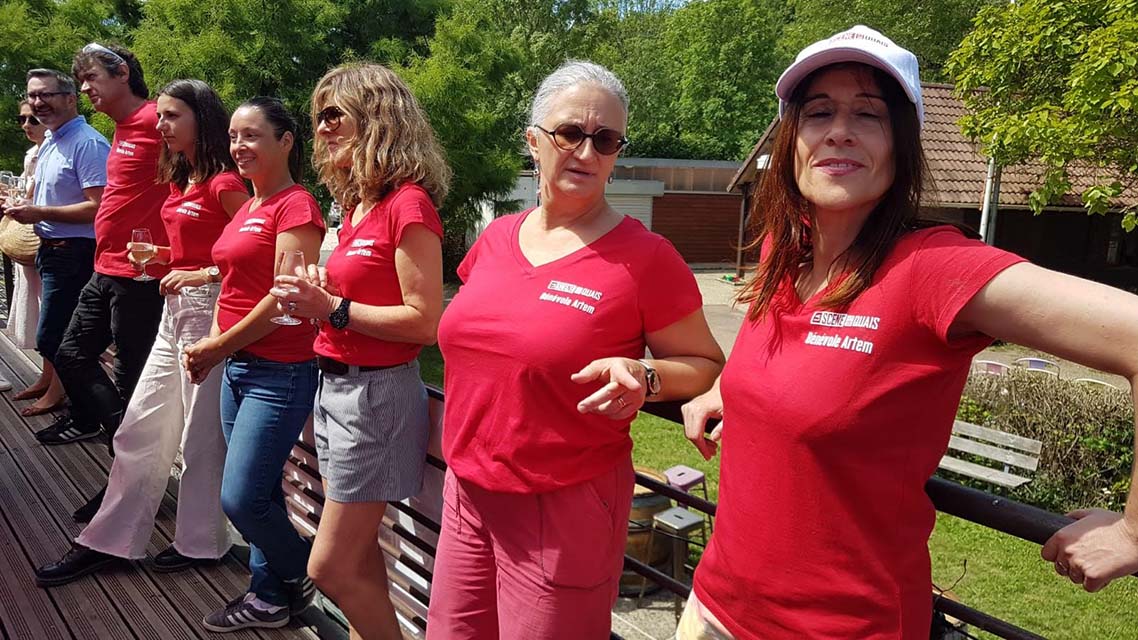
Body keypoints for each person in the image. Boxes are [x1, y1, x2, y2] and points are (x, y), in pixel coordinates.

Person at [678, 25, 1138, 640]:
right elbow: (786, 362)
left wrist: (1134, 532)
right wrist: (731, 387)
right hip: (714, 607)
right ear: (792, 140)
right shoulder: (783, 254)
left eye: (868, 114)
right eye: (819, 112)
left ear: (902, 144)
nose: (839, 130)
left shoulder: (933, 268)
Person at [426, 60, 725, 640]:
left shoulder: (647, 257)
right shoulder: (496, 237)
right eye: (570, 133)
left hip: (562, 503)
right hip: (467, 490)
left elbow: (707, 364)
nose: (587, 152)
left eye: (606, 140)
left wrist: (646, 374)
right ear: (534, 141)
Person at [34, 79, 248, 587]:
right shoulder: (183, 178)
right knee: (139, 425)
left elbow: (255, 256)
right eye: (160, 116)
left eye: (172, 116)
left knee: (200, 436)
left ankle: (202, 542)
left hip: (211, 315)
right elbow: (198, 249)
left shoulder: (225, 183)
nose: (161, 125)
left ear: (201, 118)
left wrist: (202, 275)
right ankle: (110, 540)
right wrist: (165, 256)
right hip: (174, 311)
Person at [268, 63, 449, 640]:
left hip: (376, 397)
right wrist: (323, 292)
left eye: (333, 115)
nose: (320, 128)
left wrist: (332, 307)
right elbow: (358, 293)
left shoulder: (408, 205)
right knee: (359, 556)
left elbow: (425, 321)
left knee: (327, 567)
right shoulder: (357, 207)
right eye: (318, 117)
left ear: (376, 118)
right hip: (336, 388)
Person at [185, 96, 324, 632]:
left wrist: (217, 347)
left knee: (240, 498)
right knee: (261, 493)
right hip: (238, 367)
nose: (239, 146)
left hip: (280, 371)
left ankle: (305, 570)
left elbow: (284, 298)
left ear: (285, 141)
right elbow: (234, 286)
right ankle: (268, 597)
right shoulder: (248, 206)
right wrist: (215, 347)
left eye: (252, 135)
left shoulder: (296, 207)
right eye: (233, 137)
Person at [34, 43, 171, 525]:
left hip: (140, 276)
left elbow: (200, 180)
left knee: (131, 381)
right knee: (69, 353)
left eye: (91, 77)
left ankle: (132, 485)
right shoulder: (122, 128)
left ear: (123, 73)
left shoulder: (157, 121)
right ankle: (130, 460)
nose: (85, 87)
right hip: (105, 266)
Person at [5, 69, 107, 419]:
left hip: (74, 251)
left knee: (55, 336)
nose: (37, 103)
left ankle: (87, 410)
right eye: (32, 96)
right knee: (54, 332)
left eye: (46, 95)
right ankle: (52, 384)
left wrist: (39, 212)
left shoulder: (87, 143)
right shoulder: (52, 139)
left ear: (70, 99)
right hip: (51, 247)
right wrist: (23, 204)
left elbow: (99, 207)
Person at [3, 99, 50, 399]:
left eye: (33, 119)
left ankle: (54, 381)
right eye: (22, 119)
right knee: (37, 304)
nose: (26, 126)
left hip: (46, 238)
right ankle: (48, 376)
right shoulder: (32, 153)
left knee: (48, 309)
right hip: (29, 240)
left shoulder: (51, 151)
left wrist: (21, 199)